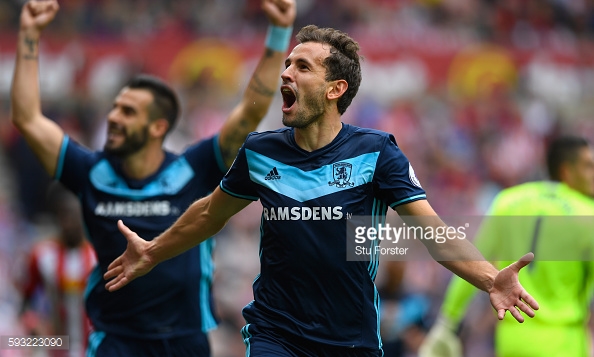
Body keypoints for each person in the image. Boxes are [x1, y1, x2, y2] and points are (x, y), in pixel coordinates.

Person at [103, 25, 540, 356]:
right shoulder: (260, 152)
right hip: (276, 333)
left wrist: (489, 279)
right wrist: (153, 251)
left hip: (350, 338)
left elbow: (431, 231)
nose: (286, 73)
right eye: (288, 64)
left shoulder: (377, 152)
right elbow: (207, 214)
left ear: (335, 90)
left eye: (302, 66)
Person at [10, 0, 296, 355]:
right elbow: (27, 119)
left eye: (128, 112)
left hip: (185, 341)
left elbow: (248, 113)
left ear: (158, 127)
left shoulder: (194, 169)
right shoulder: (90, 172)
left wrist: (279, 32)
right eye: (115, 108)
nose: (114, 118)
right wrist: (29, 36)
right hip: (115, 342)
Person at [419, 136, 594, 357]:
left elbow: (473, 259)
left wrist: (447, 321)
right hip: (563, 342)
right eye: (588, 166)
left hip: (512, 339)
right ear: (566, 171)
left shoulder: (508, 200)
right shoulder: (588, 213)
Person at [19, 183, 96, 357]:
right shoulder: (42, 256)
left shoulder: (97, 259)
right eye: (63, 216)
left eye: (73, 216)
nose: (68, 223)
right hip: (56, 346)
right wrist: (33, 324)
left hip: (91, 346)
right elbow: (25, 301)